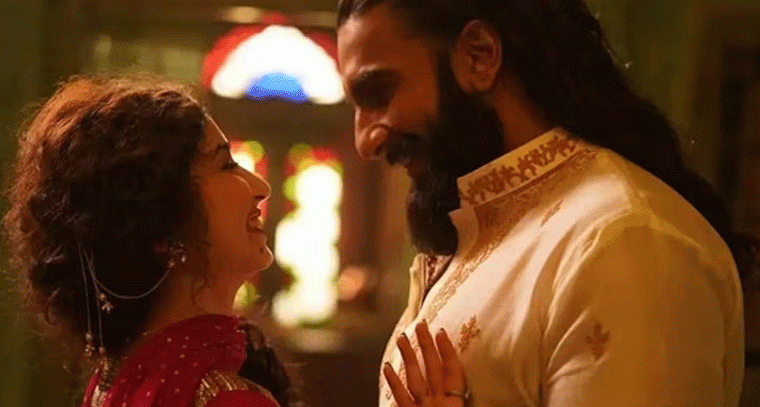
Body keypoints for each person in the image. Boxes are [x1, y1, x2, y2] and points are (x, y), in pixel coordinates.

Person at [336, 0, 746, 406]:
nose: (364, 142)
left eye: (379, 93)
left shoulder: (626, 241)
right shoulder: (475, 233)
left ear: (479, 56)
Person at [3, 76, 297, 407]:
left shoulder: (115, 380)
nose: (261, 187)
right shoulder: (223, 399)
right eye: (226, 165)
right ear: (161, 219)